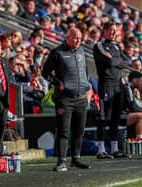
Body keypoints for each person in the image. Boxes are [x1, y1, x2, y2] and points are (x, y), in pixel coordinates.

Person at [42, 27, 91, 172]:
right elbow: (45, 73)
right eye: (75, 38)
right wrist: (58, 83)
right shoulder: (57, 52)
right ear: (68, 37)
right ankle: (61, 161)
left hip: (81, 97)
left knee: (79, 130)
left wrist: (86, 86)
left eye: (80, 39)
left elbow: (85, 72)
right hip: (64, 99)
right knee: (64, 130)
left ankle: (76, 158)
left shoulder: (81, 51)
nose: (78, 41)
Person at [93, 21, 126, 159]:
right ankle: (100, 150)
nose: (113, 33)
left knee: (115, 117)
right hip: (106, 84)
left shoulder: (116, 46)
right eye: (111, 30)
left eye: (115, 30)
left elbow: (125, 62)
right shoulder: (99, 45)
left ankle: (114, 148)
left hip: (118, 85)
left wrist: (114, 60)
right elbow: (110, 62)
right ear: (105, 31)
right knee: (104, 117)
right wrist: (116, 61)